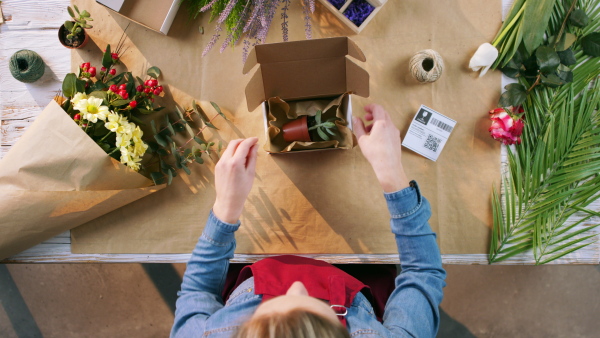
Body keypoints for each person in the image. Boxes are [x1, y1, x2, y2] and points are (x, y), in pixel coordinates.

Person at [170, 104, 446, 338]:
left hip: (252, 262)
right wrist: (392, 174)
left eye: (273, 303)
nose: (297, 286)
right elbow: (423, 272)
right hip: (360, 274)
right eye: (312, 303)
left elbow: (199, 289)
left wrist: (225, 209)